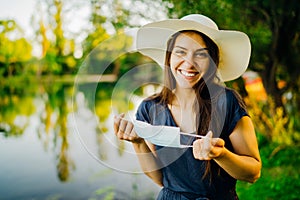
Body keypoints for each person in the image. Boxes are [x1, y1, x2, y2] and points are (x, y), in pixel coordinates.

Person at [113, 14, 261, 200]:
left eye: (201, 54)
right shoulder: (149, 108)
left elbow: (253, 173)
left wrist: (220, 154)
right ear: (169, 57)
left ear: (212, 61)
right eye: (181, 52)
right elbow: (161, 179)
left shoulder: (227, 102)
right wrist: (138, 143)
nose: (189, 63)